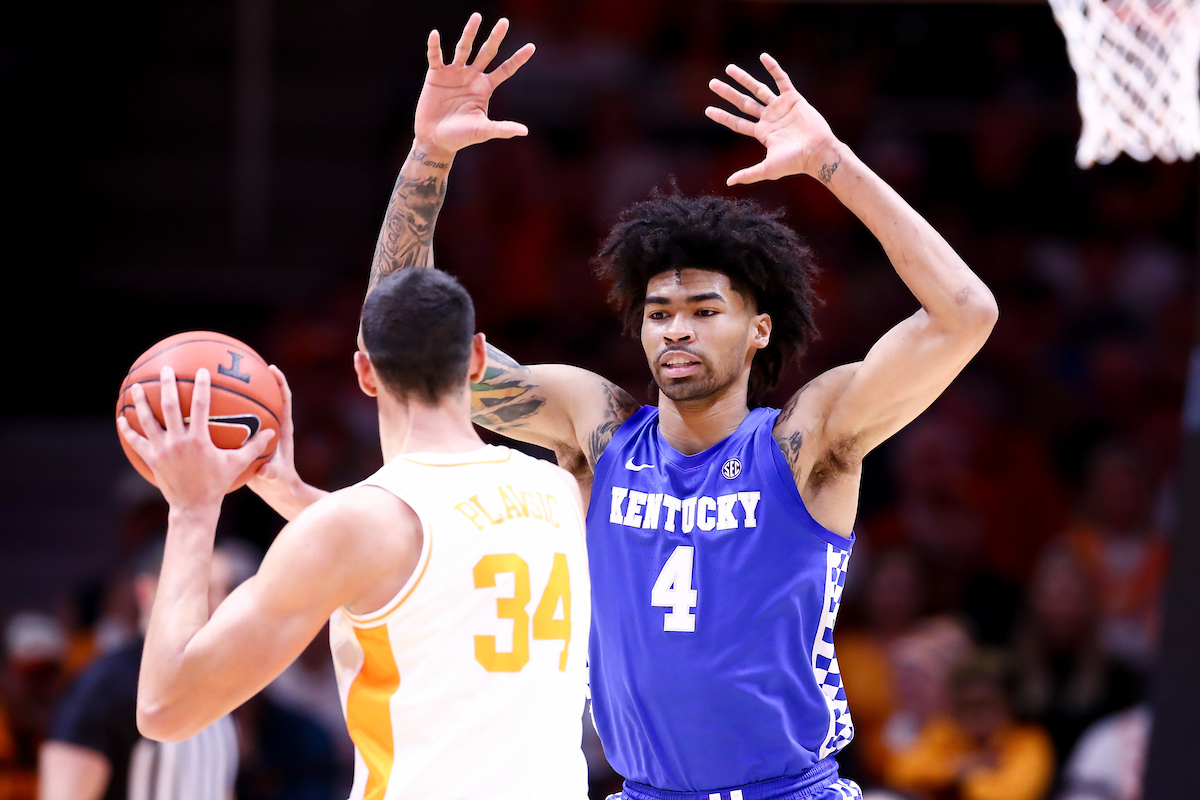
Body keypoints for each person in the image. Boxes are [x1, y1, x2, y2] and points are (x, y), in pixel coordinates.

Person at [258, 13, 998, 800]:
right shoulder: (596, 425)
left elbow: (966, 313)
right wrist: (428, 159)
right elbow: (403, 335)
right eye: (659, 311)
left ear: (759, 329)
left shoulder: (805, 441)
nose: (677, 328)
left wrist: (831, 162)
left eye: (705, 310)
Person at [116, 266, 591, 800]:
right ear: (478, 358)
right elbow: (438, 549)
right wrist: (293, 494)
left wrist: (193, 508)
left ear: (364, 373)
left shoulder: (361, 526)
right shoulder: (558, 489)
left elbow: (165, 709)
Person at [38, 539, 245, 800]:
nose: (217, 603)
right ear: (147, 593)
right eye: (201, 588)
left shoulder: (222, 686)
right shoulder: (101, 688)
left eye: (223, 590)